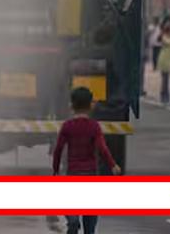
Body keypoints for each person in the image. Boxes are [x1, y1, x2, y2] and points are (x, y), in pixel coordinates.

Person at [52, 86, 122, 234]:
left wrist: (56, 171)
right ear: (91, 105)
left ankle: (73, 220)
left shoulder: (67, 126)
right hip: (90, 175)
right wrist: (113, 165)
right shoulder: (94, 126)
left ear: (71, 105)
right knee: (90, 217)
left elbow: (58, 150)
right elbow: (102, 148)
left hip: (73, 174)